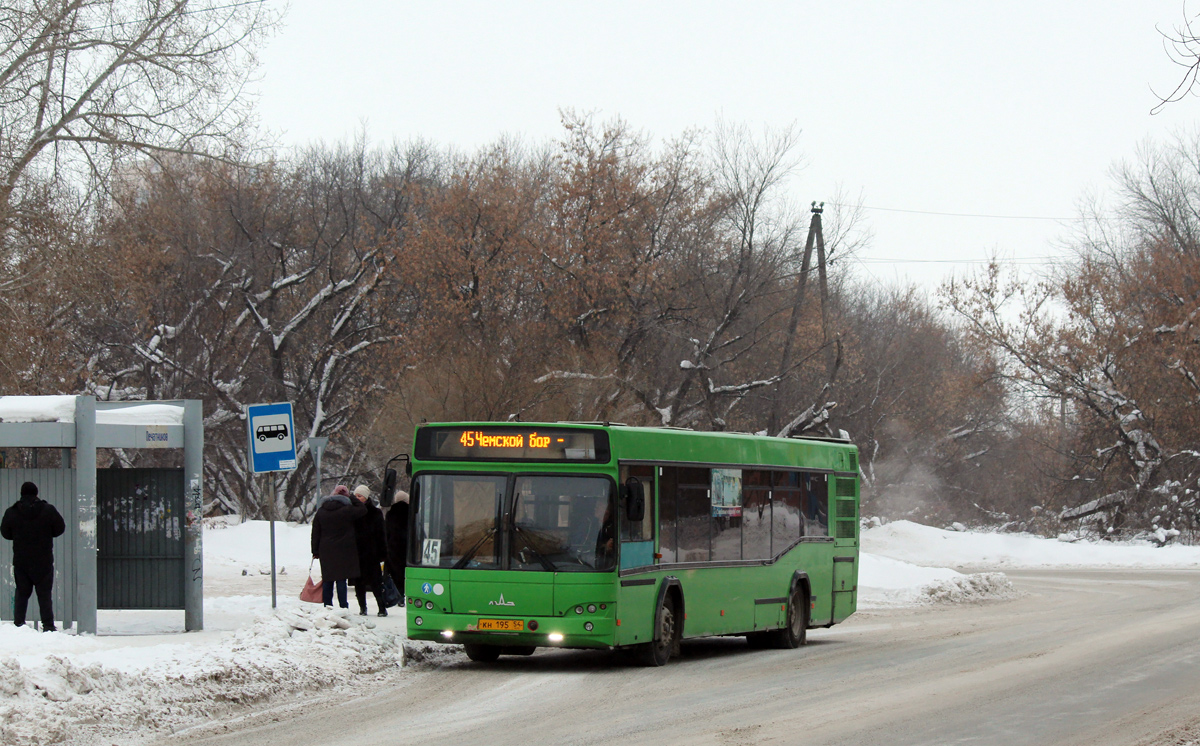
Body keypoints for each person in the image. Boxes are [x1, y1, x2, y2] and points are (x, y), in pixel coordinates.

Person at [1, 481, 66, 631]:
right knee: (44, 595)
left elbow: (5, 533)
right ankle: (48, 626)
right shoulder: (48, 510)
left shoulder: (12, 512)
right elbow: (60, 528)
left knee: (22, 593)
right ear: (36, 493)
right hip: (43, 560)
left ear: (21, 494)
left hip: (21, 560)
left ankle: (19, 625)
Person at [310, 484, 366, 609]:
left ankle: (327, 605)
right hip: (343, 549)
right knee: (341, 579)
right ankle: (343, 606)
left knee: (327, 579)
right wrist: (351, 497)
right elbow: (362, 509)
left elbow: (315, 532)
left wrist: (315, 550)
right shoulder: (347, 511)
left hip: (326, 550)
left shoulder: (321, 511)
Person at [350, 484, 388, 617]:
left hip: (372, 553)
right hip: (357, 553)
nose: (357, 498)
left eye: (359, 496)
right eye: (355, 496)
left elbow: (381, 534)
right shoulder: (352, 512)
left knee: (375, 582)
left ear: (366, 497)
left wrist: (383, 553)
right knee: (359, 583)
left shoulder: (375, 513)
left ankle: (382, 608)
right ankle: (362, 608)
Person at [385, 490, 409, 606]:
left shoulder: (390, 513)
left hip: (393, 546)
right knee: (406, 572)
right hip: (408, 547)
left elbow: (387, 531)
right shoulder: (411, 512)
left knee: (396, 573)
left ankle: (399, 596)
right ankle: (406, 593)